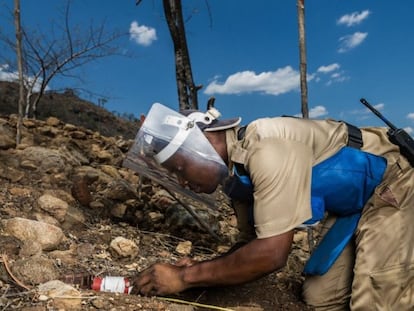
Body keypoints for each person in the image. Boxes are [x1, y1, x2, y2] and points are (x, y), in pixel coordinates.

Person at [126, 102, 414, 310]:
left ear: (199, 143)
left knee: (376, 299)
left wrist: (184, 277)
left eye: (179, 168)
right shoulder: (236, 178)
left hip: (395, 184)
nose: (183, 182)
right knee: (321, 299)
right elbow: (250, 244)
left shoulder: (266, 147)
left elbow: (271, 254)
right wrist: (203, 270)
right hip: (354, 207)